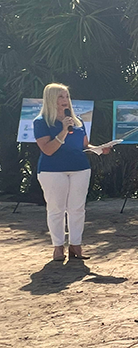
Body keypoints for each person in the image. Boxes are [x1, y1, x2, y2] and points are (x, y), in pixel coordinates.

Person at [34, 83, 111, 261]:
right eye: (60, 97)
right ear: (51, 99)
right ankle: (58, 247)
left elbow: (84, 146)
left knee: (77, 209)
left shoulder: (78, 121)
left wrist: (99, 149)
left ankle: (76, 246)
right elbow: (48, 150)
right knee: (56, 210)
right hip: (52, 171)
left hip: (80, 169)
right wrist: (62, 131)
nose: (65, 101)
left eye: (67, 96)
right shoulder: (41, 122)